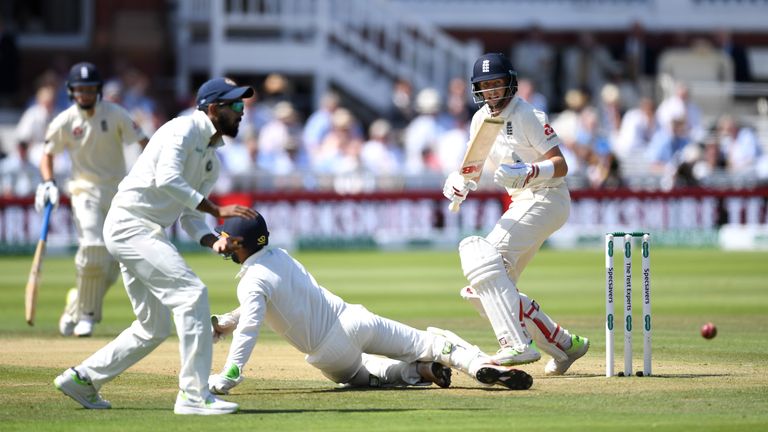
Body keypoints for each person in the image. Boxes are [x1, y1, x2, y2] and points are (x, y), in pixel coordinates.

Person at [53, 77, 258, 415]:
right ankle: (193, 395)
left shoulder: (212, 159)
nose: (241, 113)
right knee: (192, 294)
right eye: (234, 105)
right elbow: (168, 179)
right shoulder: (181, 130)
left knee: (154, 326)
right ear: (212, 108)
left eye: (242, 106)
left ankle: (83, 378)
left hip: (145, 231)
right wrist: (218, 209)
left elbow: (190, 215)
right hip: (130, 224)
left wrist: (213, 239)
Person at [205, 215, 533, 394]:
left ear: (239, 243)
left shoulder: (252, 281)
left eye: (225, 239)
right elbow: (254, 310)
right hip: (354, 319)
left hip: (331, 354)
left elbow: (250, 324)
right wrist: (223, 322)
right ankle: (476, 366)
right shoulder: (280, 256)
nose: (221, 244)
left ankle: (413, 373)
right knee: (430, 342)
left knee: (366, 375)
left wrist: (230, 374)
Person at [442, 53, 589, 375]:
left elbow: (562, 165)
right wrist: (459, 182)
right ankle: (564, 344)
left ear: (509, 83)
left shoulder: (527, 115)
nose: (492, 92)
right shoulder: (480, 119)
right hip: (522, 202)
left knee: (481, 258)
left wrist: (530, 171)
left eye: (496, 84)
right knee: (482, 290)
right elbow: (473, 167)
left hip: (548, 197)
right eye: (485, 87)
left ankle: (517, 345)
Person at [34, 62, 149, 337]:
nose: (85, 95)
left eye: (89, 89)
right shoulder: (65, 120)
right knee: (93, 246)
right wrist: (48, 182)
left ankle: (76, 303)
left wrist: (149, 176)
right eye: (80, 90)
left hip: (118, 193)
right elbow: (47, 154)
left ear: (97, 90)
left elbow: (145, 144)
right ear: (72, 92)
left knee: (110, 268)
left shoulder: (117, 113)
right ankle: (87, 316)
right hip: (84, 191)